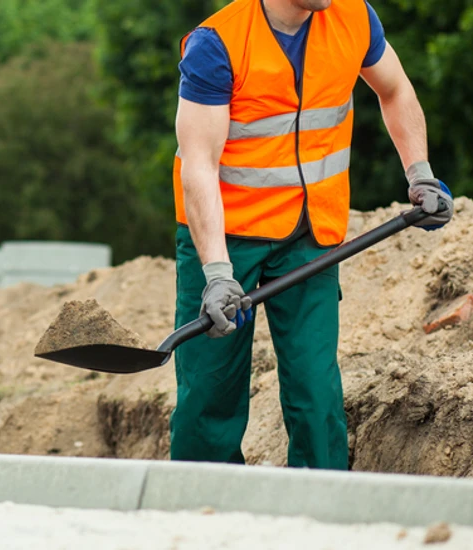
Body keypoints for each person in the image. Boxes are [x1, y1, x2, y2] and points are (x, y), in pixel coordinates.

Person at [171, 0, 451, 469]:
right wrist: (217, 274)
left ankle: (323, 510)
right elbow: (199, 164)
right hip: (225, 237)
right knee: (209, 394)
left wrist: (419, 173)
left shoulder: (353, 16)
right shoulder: (217, 43)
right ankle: (200, 516)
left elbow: (396, 88)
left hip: (310, 234)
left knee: (315, 390)